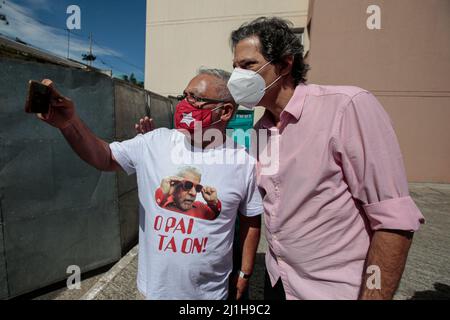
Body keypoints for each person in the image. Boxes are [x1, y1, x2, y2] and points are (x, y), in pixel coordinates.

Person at [225, 17, 425, 300]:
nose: (237, 76)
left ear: (284, 64)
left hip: (333, 291)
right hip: (279, 281)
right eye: (235, 67)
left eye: (248, 65)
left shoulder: (347, 107)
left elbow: (393, 220)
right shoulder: (260, 132)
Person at [27, 68, 263, 300]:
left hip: (209, 295)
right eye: (185, 96)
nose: (185, 104)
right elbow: (104, 156)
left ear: (226, 111)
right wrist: (69, 123)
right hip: (152, 292)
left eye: (196, 98)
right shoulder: (155, 142)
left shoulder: (244, 162)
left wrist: (244, 272)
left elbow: (251, 220)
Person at [155, 167, 222, 221]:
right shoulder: (161, 203)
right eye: (188, 185)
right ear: (174, 184)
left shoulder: (200, 208)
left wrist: (213, 203)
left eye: (197, 188)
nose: (194, 193)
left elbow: (219, 221)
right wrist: (163, 192)